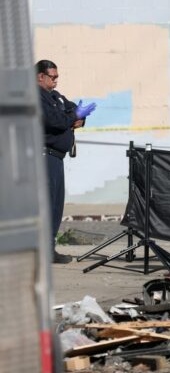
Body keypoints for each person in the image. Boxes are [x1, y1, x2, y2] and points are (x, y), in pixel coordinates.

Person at [37, 60, 96, 264]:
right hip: (44, 157)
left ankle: (49, 249)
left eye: (57, 77)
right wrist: (72, 118)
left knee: (55, 206)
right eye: (52, 77)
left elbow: (71, 110)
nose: (56, 81)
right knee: (46, 205)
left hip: (57, 157)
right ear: (40, 76)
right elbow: (54, 120)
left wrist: (79, 117)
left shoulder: (56, 96)